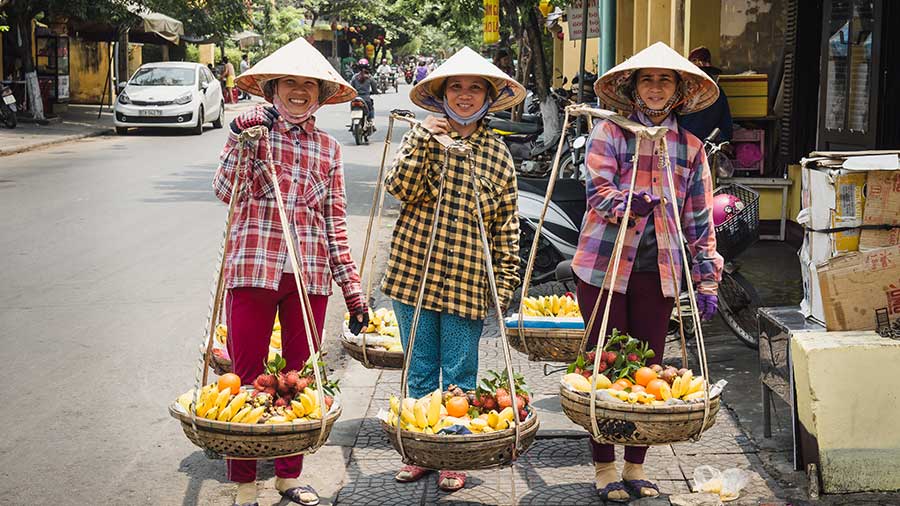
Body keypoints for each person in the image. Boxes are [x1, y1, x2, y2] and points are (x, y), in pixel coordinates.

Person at [212, 37, 367, 506]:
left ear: (320, 94)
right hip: (253, 271)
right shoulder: (251, 134)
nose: (299, 92)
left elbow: (334, 221)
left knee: (297, 379)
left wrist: (354, 293)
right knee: (243, 379)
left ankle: (288, 476)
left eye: (309, 85)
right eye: (291, 84)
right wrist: (242, 139)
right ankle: (244, 481)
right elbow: (224, 191)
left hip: (310, 277)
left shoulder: (329, 148)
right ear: (273, 89)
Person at [576, 42, 724, 502]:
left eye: (665, 81)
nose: (656, 88)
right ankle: (603, 466)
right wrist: (628, 204)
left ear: (679, 91)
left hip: (657, 274)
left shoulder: (691, 148)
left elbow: (699, 220)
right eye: (647, 80)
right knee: (606, 367)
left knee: (649, 371)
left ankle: (635, 466)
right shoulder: (611, 134)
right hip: (603, 269)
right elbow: (597, 191)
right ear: (633, 88)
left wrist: (706, 278)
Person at [383, 46, 525, 493]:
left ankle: (454, 454)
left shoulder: (498, 153)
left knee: (460, 373)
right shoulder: (420, 137)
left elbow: (506, 224)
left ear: (487, 98)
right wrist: (426, 138)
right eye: (456, 88)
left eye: (475, 88)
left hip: (467, 281)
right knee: (419, 368)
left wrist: (504, 285)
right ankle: (420, 452)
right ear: (442, 95)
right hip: (413, 276)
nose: (464, 96)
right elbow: (400, 188)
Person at [678, 46, 733, 143]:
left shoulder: (717, 93)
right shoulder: (681, 91)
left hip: (698, 144)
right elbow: (726, 129)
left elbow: (726, 127)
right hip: (690, 143)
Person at [350, 59, 377, 125]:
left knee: (352, 106)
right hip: (366, 98)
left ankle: (352, 123)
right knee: (371, 108)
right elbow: (374, 85)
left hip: (356, 97)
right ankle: (370, 120)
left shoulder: (354, 77)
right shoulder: (370, 77)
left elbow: (351, 87)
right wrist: (375, 91)